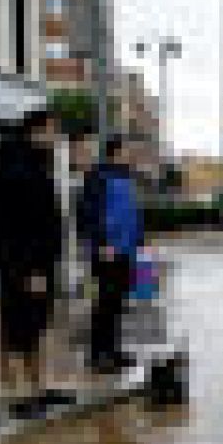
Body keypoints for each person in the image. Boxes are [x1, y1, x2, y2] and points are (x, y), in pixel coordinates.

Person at [0, 107, 71, 419]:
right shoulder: (12, 167)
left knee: (36, 325)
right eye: (54, 130)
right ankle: (19, 396)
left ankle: (39, 390)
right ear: (38, 130)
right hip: (23, 266)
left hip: (40, 265)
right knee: (18, 326)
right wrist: (28, 270)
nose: (58, 137)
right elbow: (11, 227)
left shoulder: (34, 163)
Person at [78, 135, 145, 374]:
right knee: (105, 303)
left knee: (117, 303)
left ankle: (114, 351)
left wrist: (138, 241)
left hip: (125, 251)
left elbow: (131, 214)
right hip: (107, 251)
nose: (132, 154)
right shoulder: (98, 177)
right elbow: (88, 214)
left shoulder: (126, 178)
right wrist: (102, 243)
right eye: (129, 150)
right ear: (116, 152)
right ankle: (97, 356)